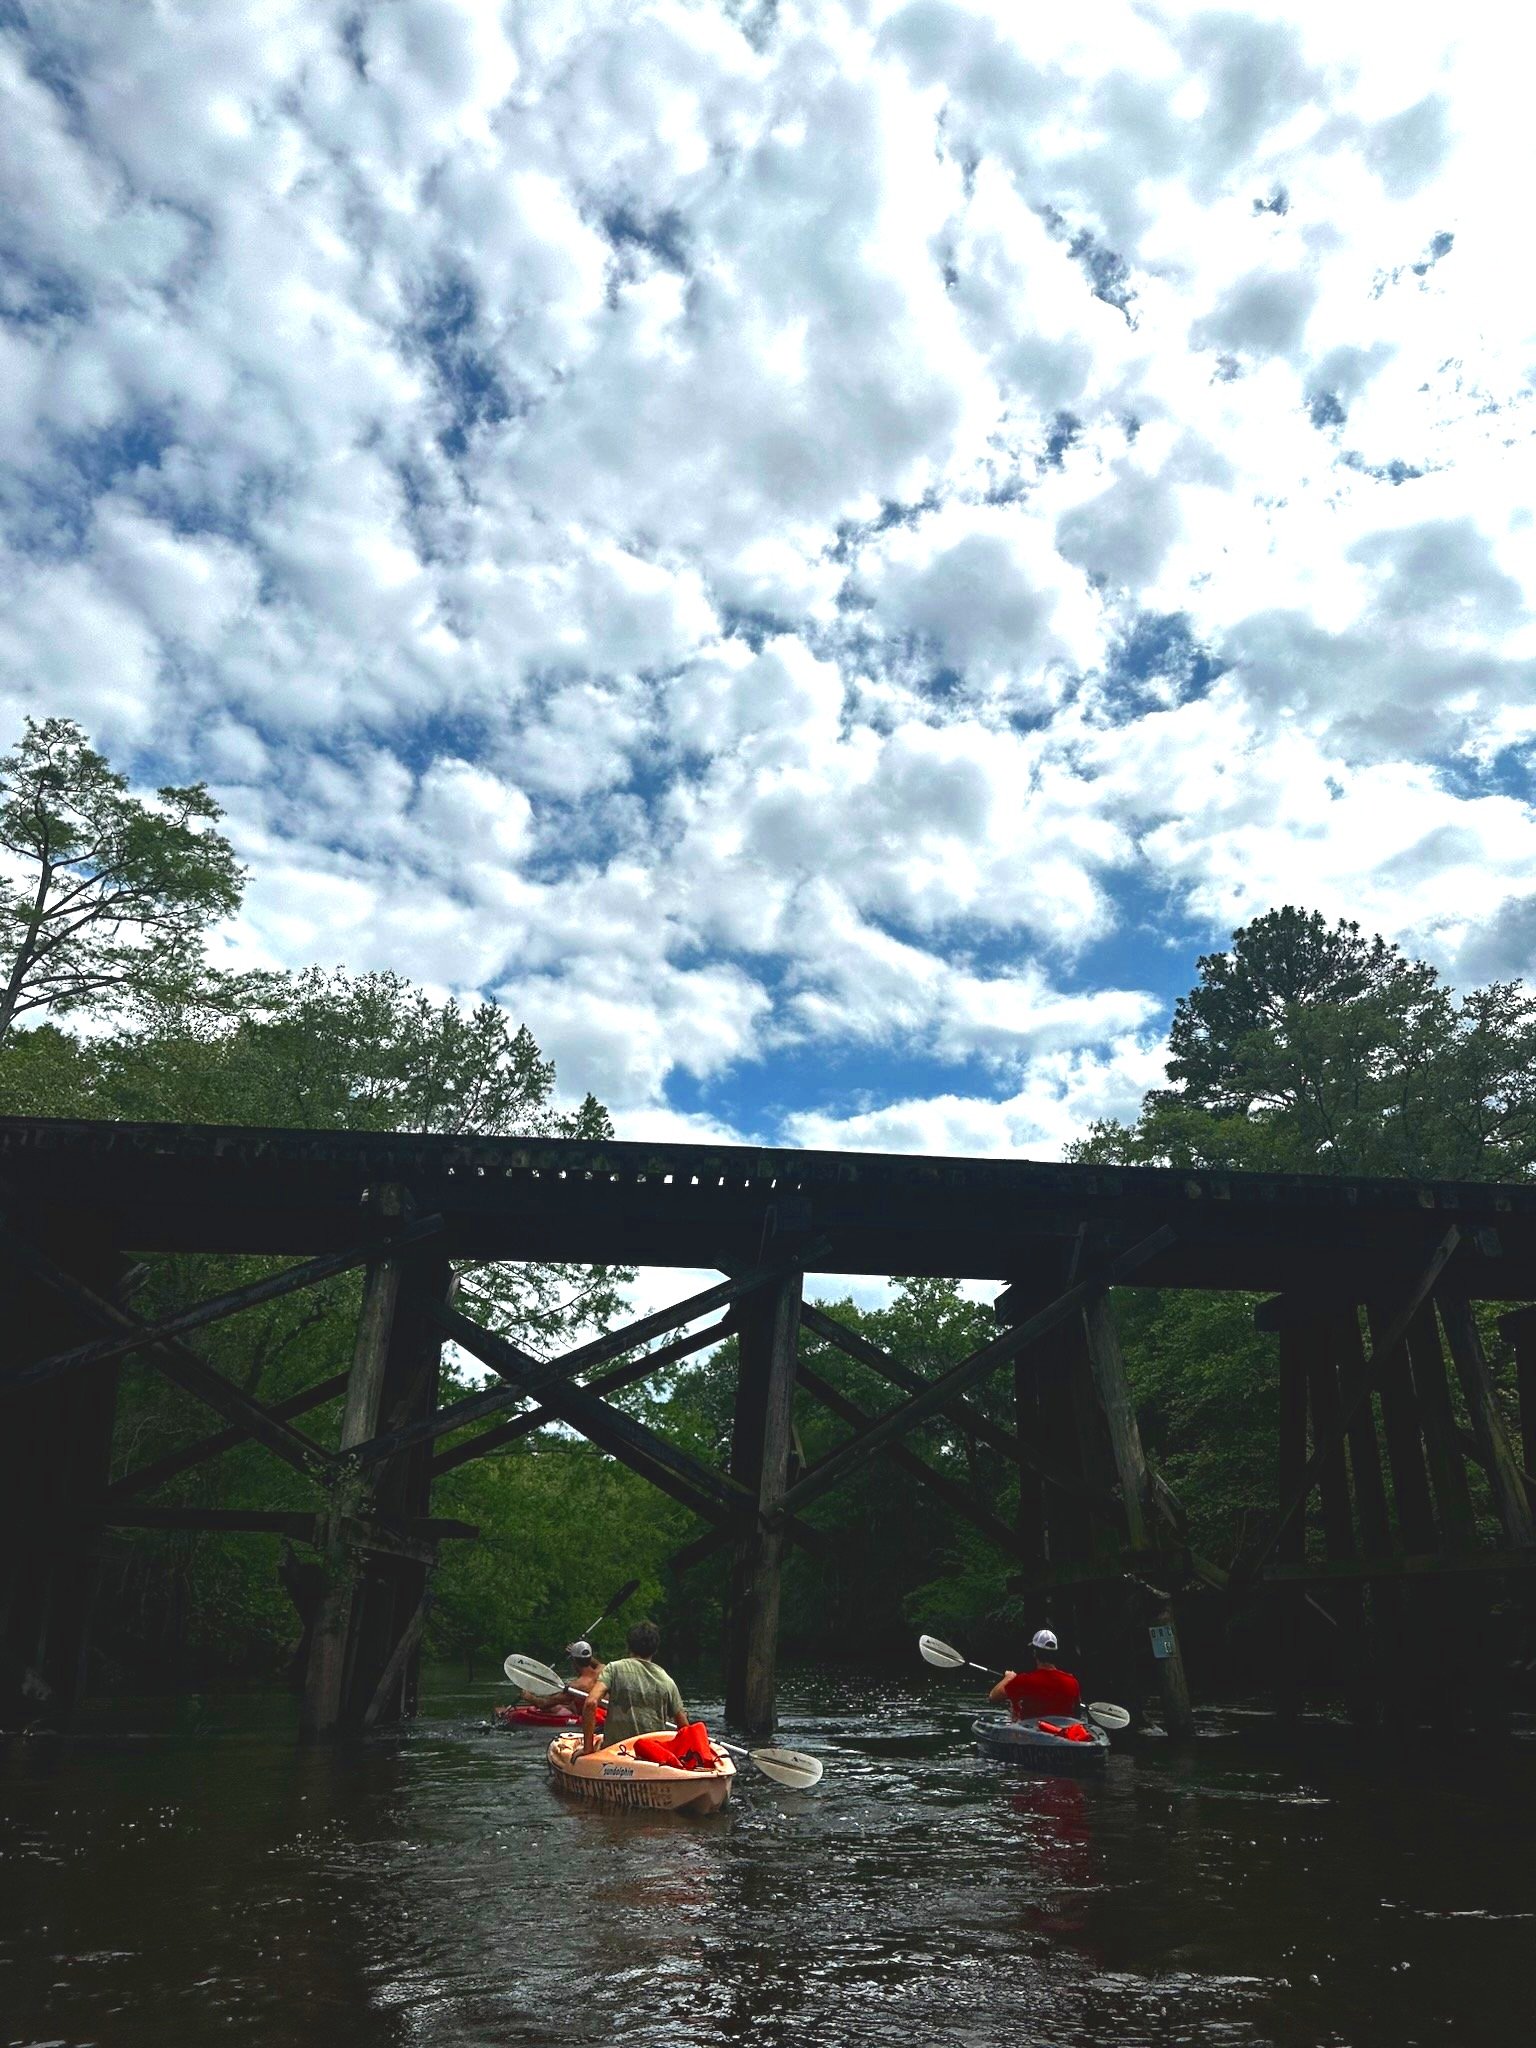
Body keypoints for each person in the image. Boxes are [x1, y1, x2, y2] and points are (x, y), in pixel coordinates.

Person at [583, 1619, 687, 1754]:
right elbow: (684, 1727)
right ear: (655, 1650)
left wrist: (587, 1749)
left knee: (598, 1742)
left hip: (614, 1754)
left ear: (629, 1646)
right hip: (650, 1757)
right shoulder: (667, 1681)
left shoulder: (614, 1669)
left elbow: (590, 1703)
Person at [989, 1627, 1083, 1723]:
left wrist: (1008, 1678)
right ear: (1055, 1653)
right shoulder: (1072, 1682)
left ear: (1034, 1652)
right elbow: (1077, 1715)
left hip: (1032, 1734)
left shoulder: (1024, 1681)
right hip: (1063, 1734)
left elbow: (993, 1697)